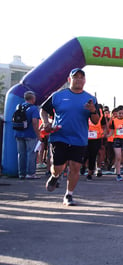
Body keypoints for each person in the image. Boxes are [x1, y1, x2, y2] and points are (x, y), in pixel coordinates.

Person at [40, 68, 100, 206]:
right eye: (75, 77)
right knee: (58, 167)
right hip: (59, 136)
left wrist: (93, 110)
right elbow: (43, 109)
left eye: (81, 77)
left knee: (75, 167)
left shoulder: (91, 99)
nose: (78, 79)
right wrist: (46, 122)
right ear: (69, 80)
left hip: (79, 138)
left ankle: (69, 195)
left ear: (85, 81)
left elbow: (96, 120)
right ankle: (55, 176)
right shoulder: (58, 96)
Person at [14, 91, 41, 179]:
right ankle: (30, 173)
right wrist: (38, 134)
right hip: (30, 134)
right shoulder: (33, 108)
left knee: (21, 154)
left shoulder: (19, 106)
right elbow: (34, 122)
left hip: (18, 133)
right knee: (31, 153)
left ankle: (21, 173)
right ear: (33, 99)